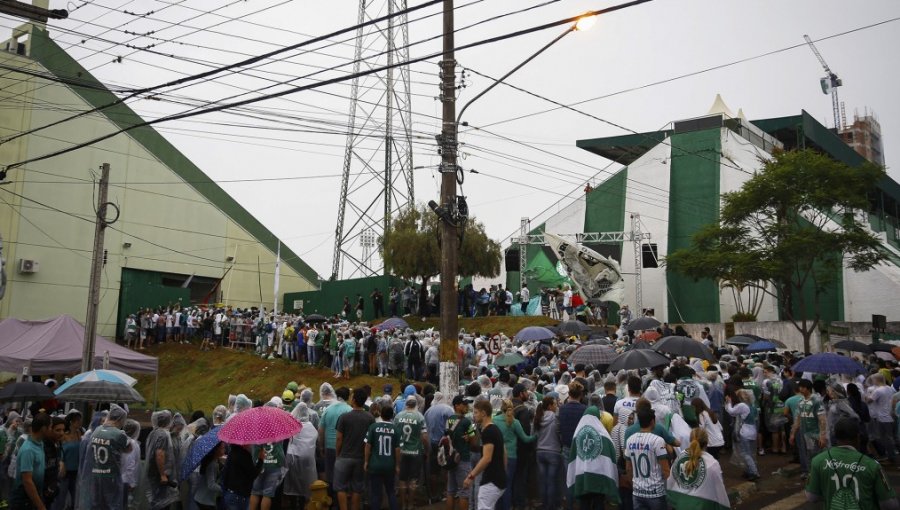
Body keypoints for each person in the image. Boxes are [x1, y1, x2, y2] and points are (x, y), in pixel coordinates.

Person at [805, 417, 899, 509]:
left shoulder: (817, 461)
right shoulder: (872, 465)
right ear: (858, 437)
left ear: (835, 437)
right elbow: (890, 504)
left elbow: (811, 497)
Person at [666, 428, 730, 510]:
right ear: (706, 443)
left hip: (680, 504)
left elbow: (671, 480)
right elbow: (719, 489)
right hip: (702, 505)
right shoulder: (712, 463)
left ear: (690, 440)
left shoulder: (680, 456)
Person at [334, 388, 375, 510]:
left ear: (354, 400)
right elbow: (371, 440)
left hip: (344, 457)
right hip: (361, 457)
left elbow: (339, 439)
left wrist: (337, 454)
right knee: (357, 488)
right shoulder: (370, 418)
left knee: (340, 487)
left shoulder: (344, 417)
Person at [492, 399, 535, 510]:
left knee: (498, 485)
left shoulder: (495, 420)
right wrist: (536, 436)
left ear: (501, 407)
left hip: (497, 456)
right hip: (511, 458)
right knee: (508, 485)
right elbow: (525, 439)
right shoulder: (515, 422)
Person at [625, 407, 670, 510]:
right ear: (652, 421)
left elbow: (628, 468)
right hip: (656, 494)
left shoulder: (629, 440)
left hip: (637, 493)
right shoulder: (658, 441)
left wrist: (634, 486)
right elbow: (665, 470)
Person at [463, 399, 505, 510]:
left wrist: (470, 476)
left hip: (491, 479)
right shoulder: (495, 429)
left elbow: (486, 458)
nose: (474, 415)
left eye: (476, 412)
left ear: (483, 413)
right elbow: (504, 453)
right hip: (497, 478)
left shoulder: (488, 431)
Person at [394, 396, 428, 510]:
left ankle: (403, 504)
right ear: (415, 404)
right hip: (415, 451)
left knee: (402, 479)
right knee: (413, 479)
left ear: (406, 404)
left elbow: (394, 433)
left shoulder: (398, 416)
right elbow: (424, 437)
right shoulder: (420, 417)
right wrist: (426, 449)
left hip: (401, 452)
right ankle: (410, 504)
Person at [789, 379, 826, 479]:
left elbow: (822, 420)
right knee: (806, 454)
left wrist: (822, 435)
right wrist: (793, 433)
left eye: (802, 387)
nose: (800, 389)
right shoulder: (800, 401)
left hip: (815, 433)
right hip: (804, 433)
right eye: (800, 387)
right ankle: (810, 474)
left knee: (815, 455)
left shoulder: (816, 401)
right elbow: (798, 418)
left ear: (807, 388)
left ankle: (818, 476)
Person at [445, 395, 478, 510]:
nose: (466, 406)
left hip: (450, 458)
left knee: (450, 491)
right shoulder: (467, 422)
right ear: (456, 406)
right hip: (463, 458)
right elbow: (474, 443)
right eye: (464, 404)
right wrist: (470, 438)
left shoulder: (449, 420)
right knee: (464, 492)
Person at [11, 413, 49, 510]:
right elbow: (27, 481)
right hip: (23, 500)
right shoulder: (28, 450)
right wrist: (41, 506)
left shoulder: (40, 444)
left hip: (32, 498)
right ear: (44, 428)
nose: (51, 429)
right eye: (50, 427)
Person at [364, 406, 399, 510]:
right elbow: (397, 449)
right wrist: (397, 465)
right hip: (389, 465)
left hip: (375, 464)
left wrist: (366, 461)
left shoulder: (373, 427)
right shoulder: (395, 429)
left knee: (375, 493)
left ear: (381, 414)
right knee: (391, 492)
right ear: (392, 415)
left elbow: (367, 445)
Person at [145, 410, 179, 510]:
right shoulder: (163, 435)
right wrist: (163, 474)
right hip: (161, 475)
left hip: (154, 473)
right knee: (162, 503)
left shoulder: (154, 432)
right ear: (167, 420)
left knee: (157, 501)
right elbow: (159, 454)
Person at [533, 396, 562, 510]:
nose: (556, 406)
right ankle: (551, 506)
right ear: (550, 406)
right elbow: (560, 434)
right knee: (551, 481)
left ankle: (544, 504)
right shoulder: (556, 418)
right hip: (553, 452)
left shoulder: (538, 418)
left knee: (543, 481)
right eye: (555, 404)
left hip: (540, 452)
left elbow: (534, 434)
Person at [725, 389, 760, 482]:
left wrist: (728, 402)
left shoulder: (742, 405)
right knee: (750, 453)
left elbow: (731, 411)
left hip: (745, 431)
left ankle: (754, 472)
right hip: (753, 431)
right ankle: (749, 470)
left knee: (745, 453)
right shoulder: (752, 405)